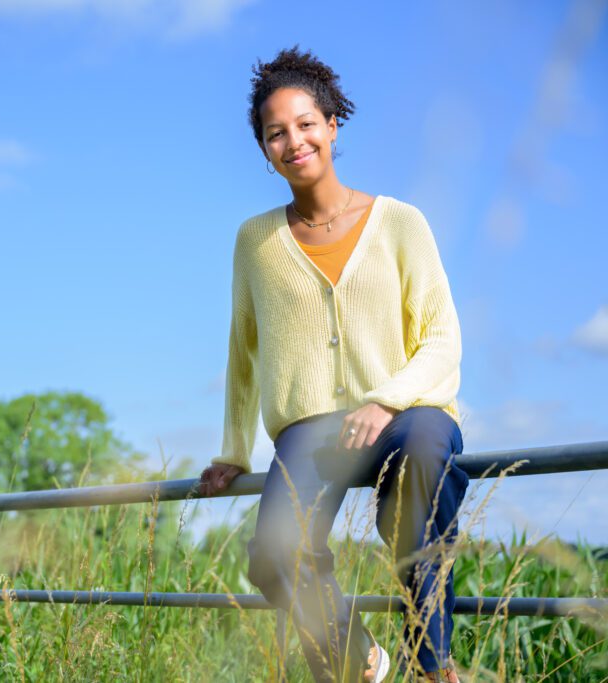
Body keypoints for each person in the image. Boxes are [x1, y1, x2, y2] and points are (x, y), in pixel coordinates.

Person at [198, 46, 469, 683]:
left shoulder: (400, 222)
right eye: (275, 133)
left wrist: (388, 399)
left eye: (305, 123)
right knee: (272, 557)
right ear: (264, 149)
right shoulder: (255, 241)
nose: (293, 141)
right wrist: (234, 447)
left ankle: (431, 668)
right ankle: (359, 663)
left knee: (427, 455)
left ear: (332, 124)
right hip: (309, 429)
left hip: (404, 415)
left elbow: (442, 338)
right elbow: (243, 348)